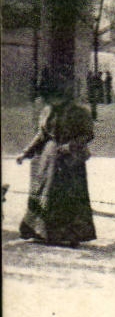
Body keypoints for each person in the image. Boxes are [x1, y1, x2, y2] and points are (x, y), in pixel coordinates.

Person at [16, 90, 97, 247]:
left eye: (55, 97)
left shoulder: (79, 112)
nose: (52, 101)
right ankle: (44, 233)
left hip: (71, 161)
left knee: (70, 195)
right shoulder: (47, 111)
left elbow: (88, 134)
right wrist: (26, 153)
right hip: (49, 159)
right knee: (46, 194)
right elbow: (41, 135)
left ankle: (72, 235)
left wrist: (71, 146)